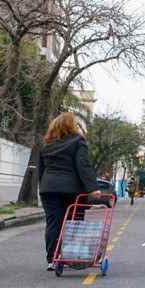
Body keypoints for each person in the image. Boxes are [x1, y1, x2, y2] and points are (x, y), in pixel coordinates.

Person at [38, 113, 101, 271]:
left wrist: (43, 187)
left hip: (49, 189)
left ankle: (52, 258)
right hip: (72, 191)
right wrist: (93, 188)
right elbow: (83, 165)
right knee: (74, 222)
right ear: (72, 126)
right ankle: (70, 254)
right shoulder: (77, 141)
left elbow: (41, 169)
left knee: (53, 223)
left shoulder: (45, 143)